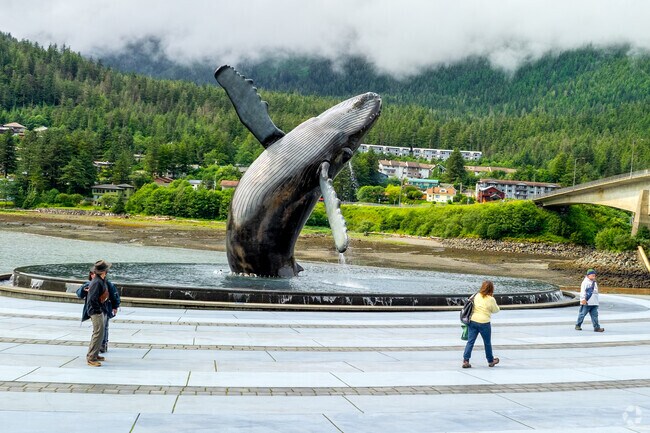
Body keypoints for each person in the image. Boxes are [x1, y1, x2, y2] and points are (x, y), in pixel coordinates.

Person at [77, 268, 120, 353]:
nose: (93, 276)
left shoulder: (107, 284)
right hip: (95, 310)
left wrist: (115, 306)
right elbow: (79, 293)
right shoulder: (88, 284)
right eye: (91, 274)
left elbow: (114, 295)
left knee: (104, 327)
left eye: (94, 274)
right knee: (98, 329)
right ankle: (96, 348)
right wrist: (83, 290)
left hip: (104, 309)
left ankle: (103, 344)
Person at [462, 280, 500, 368]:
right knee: (487, 342)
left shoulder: (476, 296)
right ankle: (490, 361)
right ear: (491, 289)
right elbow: (496, 310)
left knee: (470, 342)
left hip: (473, 321)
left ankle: (465, 360)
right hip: (484, 323)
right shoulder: (491, 299)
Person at [83, 260, 111, 367]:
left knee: (99, 333)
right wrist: (98, 310)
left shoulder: (101, 280)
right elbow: (92, 299)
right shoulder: (96, 282)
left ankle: (94, 353)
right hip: (96, 311)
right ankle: (91, 358)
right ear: (103, 271)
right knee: (98, 333)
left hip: (99, 309)